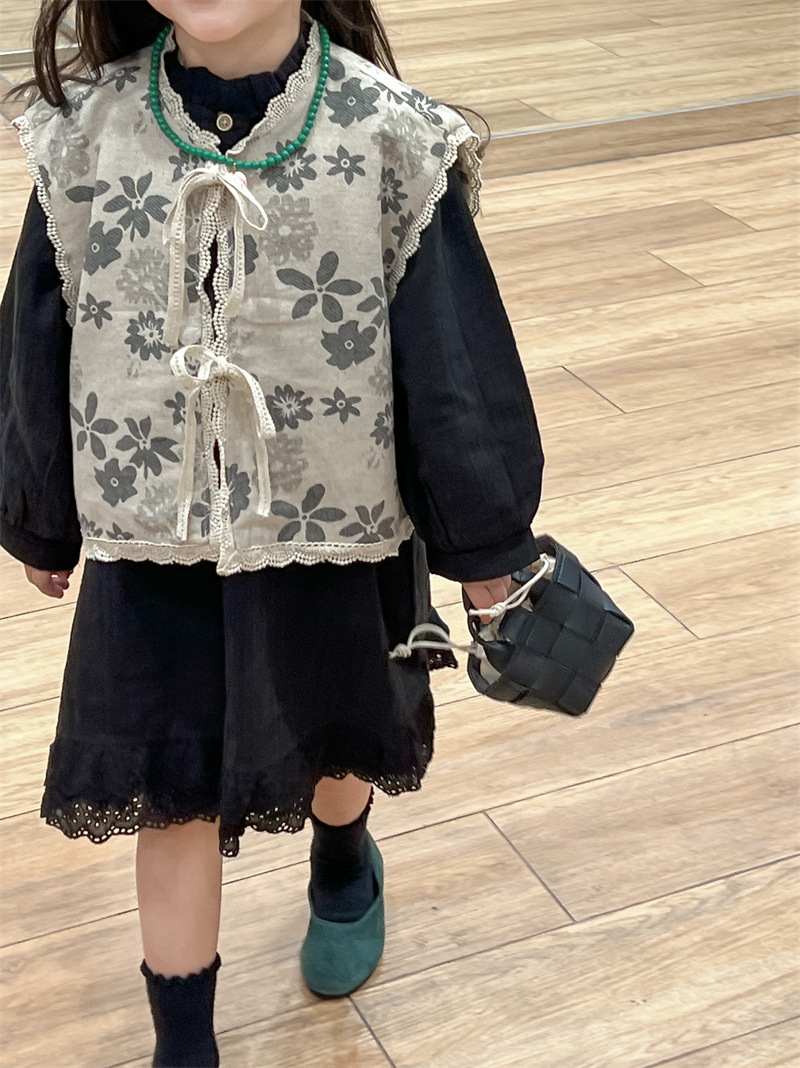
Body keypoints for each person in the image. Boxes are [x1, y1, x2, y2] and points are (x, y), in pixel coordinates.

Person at [0, 1, 544, 1064]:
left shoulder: (391, 135)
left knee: (337, 733)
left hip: (334, 525)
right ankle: (183, 1047)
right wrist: (39, 511)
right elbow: (39, 321)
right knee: (167, 791)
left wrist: (487, 543)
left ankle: (342, 859)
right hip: (151, 535)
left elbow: (450, 357)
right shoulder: (84, 133)